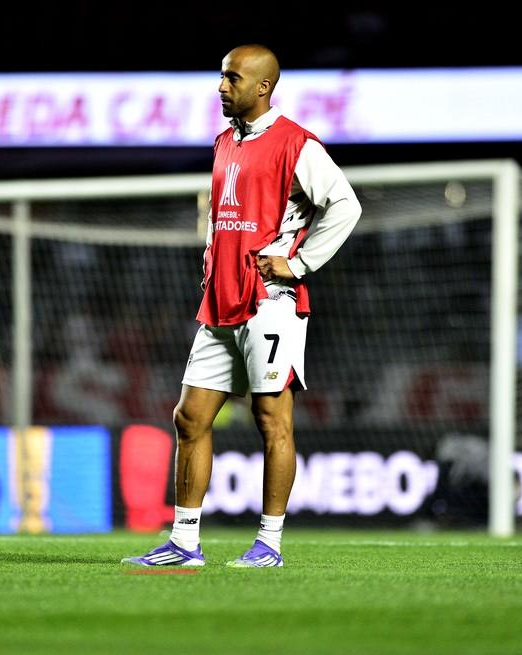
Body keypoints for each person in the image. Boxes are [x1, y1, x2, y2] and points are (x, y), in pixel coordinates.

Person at [124, 44, 361, 568]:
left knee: (271, 419)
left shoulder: (297, 144)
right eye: (221, 77)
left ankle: (268, 545)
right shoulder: (225, 141)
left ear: (263, 87)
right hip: (221, 300)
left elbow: (346, 204)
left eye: (232, 79)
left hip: (270, 303)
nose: (221, 87)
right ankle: (184, 543)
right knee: (190, 417)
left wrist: (298, 266)